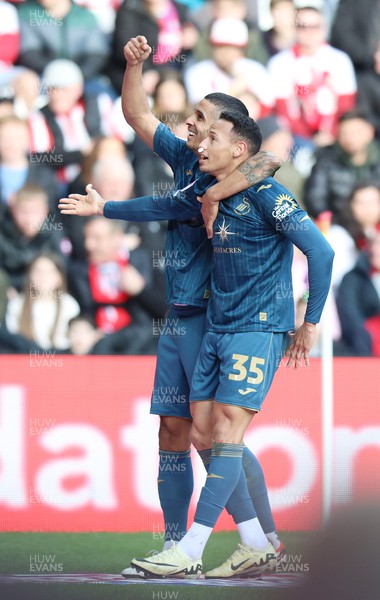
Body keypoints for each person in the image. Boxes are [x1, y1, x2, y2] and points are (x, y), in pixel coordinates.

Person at [59, 111, 334, 577]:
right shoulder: (201, 193)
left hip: (256, 326)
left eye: (210, 134)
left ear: (237, 148)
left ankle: (190, 548)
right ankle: (253, 540)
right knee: (203, 435)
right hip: (217, 326)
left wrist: (309, 323)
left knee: (226, 435)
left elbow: (320, 248)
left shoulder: (267, 192)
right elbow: (160, 204)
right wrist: (105, 209)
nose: (199, 142)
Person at [268, 5, 356, 149]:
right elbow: (282, 110)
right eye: (303, 26)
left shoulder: (340, 60)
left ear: (324, 28)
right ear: (295, 28)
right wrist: (308, 138)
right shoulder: (279, 63)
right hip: (296, 139)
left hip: (336, 136)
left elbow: (346, 105)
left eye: (315, 26)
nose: (309, 32)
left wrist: (331, 134)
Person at [304, 110, 380, 222]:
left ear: (370, 132)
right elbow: (315, 199)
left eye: (356, 132)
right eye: (344, 133)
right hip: (341, 225)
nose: (350, 138)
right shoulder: (325, 160)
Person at [337, 232, 380, 356]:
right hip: (363, 350)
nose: (377, 250)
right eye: (375, 244)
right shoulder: (352, 279)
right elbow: (351, 318)